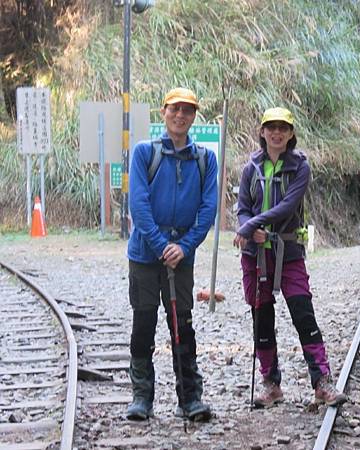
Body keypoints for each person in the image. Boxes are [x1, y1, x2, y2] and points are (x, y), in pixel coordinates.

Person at [233, 107, 346, 408]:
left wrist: (251, 225)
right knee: (262, 318)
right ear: (262, 131)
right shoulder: (250, 169)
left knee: (303, 312)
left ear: (291, 133)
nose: (277, 133)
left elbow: (287, 206)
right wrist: (250, 227)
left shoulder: (300, 168)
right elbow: (243, 205)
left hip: (288, 251)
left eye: (283, 127)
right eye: (271, 127)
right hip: (256, 255)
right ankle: (271, 384)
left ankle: (321, 381)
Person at [125, 87, 218, 421]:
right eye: (175, 109)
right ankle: (142, 397)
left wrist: (185, 246)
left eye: (188, 110)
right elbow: (138, 203)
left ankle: (190, 397)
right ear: (163, 112)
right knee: (144, 322)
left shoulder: (205, 159)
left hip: (182, 253)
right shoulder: (143, 153)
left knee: (183, 324)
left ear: (194, 116)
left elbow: (208, 208)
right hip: (145, 254)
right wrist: (160, 244)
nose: (181, 115)